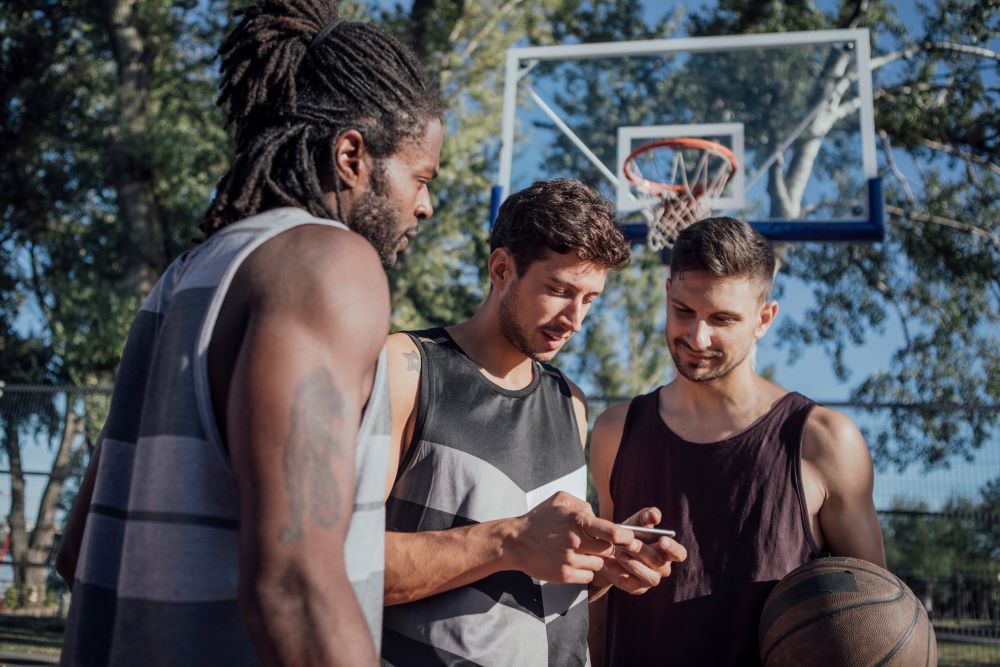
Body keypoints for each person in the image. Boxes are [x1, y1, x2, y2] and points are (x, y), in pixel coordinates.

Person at [55, 1, 443, 664]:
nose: (426, 205)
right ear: (353, 155)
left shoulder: (184, 279)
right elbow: (292, 587)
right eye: (421, 177)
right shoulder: (330, 265)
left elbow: (79, 548)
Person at [379, 179, 687, 666]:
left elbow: (541, 590)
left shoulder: (572, 403)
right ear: (502, 269)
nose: (575, 319)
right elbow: (335, 563)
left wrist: (602, 565)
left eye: (590, 299)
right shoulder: (405, 367)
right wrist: (508, 541)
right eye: (560, 290)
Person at [588, 216, 887, 666]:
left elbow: (876, 618)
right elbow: (601, 596)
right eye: (684, 311)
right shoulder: (615, 432)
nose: (697, 336)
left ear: (764, 319)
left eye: (722, 319)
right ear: (667, 293)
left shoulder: (824, 442)